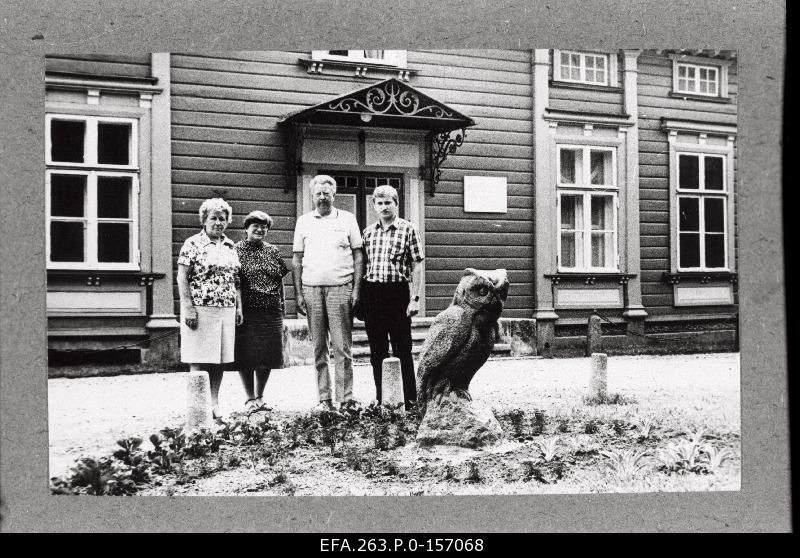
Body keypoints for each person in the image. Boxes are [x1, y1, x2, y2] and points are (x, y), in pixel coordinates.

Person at [293, 175, 363, 411]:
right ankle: (324, 399)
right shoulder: (303, 221)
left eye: (327, 193)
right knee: (318, 348)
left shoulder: (347, 219)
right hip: (312, 290)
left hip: (340, 288)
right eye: (318, 194)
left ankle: (345, 399)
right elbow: (297, 259)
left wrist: (356, 289)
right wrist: (299, 294)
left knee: (342, 346)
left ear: (334, 195)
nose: (322, 197)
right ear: (312, 196)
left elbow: (358, 255)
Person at [177, 198, 243, 422]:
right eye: (213, 218)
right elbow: (182, 277)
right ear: (204, 220)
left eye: (222, 219)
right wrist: (188, 308)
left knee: (220, 359)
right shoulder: (192, 244)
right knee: (198, 358)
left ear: (227, 222)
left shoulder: (231, 246)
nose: (218, 223)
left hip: (225, 309)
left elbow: (236, 280)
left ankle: (214, 403)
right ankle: (197, 408)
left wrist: (238, 307)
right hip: (200, 309)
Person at [361, 185, 424, 409]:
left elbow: (417, 264)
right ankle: (384, 399)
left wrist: (414, 298)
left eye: (388, 202)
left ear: (396, 204)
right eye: (380, 203)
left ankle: (409, 400)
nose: (384, 207)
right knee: (377, 350)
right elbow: (363, 265)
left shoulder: (408, 229)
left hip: (397, 293)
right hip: (373, 293)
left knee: (402, 348)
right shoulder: (368, 232)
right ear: (374, 206)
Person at [234, 210, 291, 412]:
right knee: (246, 355)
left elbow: (280, 279)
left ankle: (260, 397)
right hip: (247, 312)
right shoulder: (236, 250)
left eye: (264, 226)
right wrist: (238, 308)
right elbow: (235, 283)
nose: (259, 229)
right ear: (246, 228)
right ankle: (249, 398)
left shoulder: (272, 250)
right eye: (255, 226)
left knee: (268, 356)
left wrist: (283, 303)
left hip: (271, 310)